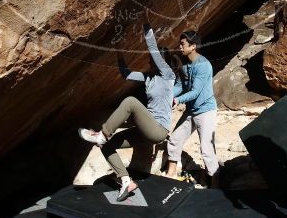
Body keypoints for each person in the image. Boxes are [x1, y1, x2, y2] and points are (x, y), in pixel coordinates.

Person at [78, 23, 176, 201]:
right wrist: (119, 50)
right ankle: (125, 181)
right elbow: (126, 74)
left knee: (130, 102)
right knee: (106, 145)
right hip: (144, 132)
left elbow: (153, 49)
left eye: (151, 59)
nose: (148, 61)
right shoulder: (149, 78)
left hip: (158, 129)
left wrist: (146, 25)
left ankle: (103, 133)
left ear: (159, 61)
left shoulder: (167, 75)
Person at [165, 30, 219, 188]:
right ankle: (171, 174)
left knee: (207, 149)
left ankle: (216, 184)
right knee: (174, 140)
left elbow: (195, 92)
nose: (179, 47)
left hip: (205, 111)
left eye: (182, 44)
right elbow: (181, 85)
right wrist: (168, 96)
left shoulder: (203, 65)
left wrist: (177, 100)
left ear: (193, 46)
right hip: (191, 112)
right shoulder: (186, 64)